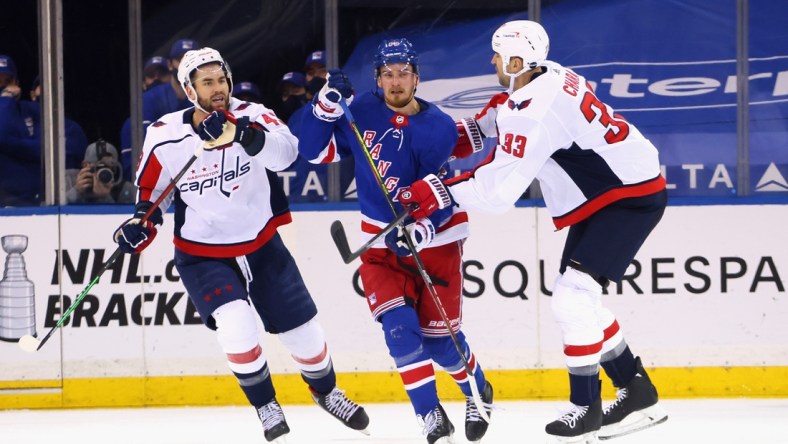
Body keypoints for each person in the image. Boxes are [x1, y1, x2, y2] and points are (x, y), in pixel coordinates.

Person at [397, 20, 669, 443]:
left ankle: (586, 408)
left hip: (627, 198)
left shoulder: (533, 113)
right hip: (615, 189)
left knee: (573, 297)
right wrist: (469, 132)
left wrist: (440, 190)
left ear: (518, 60)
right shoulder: (550, 72)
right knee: (580, 297)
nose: (492, 61)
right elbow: (510, 109)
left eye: (498, 54)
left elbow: (497, 192)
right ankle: (637, 390)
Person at [111, 47, 369, 443]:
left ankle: (327, 392)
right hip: (202, 253)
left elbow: (285, 156)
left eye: (222, 79)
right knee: (236, 326)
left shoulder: (254, 114)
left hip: (261, 242)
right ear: (189, 89)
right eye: (208, 82)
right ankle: (266, 404)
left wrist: (240, 134)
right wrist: (139, 223)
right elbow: (153, 192)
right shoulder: (165, 133)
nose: (219, 88)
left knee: (304, 333)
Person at [297, 38, 494, 444]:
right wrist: (325, 107)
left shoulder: (438, 127)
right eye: (388, 73)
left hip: (437, 240)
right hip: (379, 245)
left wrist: (423, 227)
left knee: (441, 346)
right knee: (400, 332)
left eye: (404, 73)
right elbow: (313, 152)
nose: (396, 81)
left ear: (417, 78)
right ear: (377, 79)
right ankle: (430, 415)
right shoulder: (361, 111)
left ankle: (477, 388)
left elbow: (441, 189)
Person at [0, 55, 87, 206]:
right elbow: (3, 135)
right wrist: (6, 98)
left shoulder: (29, 110)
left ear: (17, 84)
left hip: (47, 201)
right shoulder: (9, 109)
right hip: (7, 203)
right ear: (32, 92)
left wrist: (14, 146)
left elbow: (57, 148)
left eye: (7, 82)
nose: (4, 88)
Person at [120, 38, 199, 181]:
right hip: (158, 182)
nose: (186, 65)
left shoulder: (207, 100)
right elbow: (146, 150)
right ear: (170, 64)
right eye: (180, 59)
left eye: (192, 59)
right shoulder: (150, 99)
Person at [66, 139, 136, 203]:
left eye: (109, 168)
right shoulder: (69, 179)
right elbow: (59, 211)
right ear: (85, 165)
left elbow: (123, 215)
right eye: (98, 167)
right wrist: (76, 192)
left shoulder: (124, 188)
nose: (103, 172)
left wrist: (105, 197)